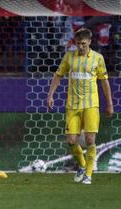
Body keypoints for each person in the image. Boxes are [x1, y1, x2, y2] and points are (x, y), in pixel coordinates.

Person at [47, 28, 114, 184]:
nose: (81, 47)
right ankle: (83, 166)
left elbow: (104, 81)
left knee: (90, 140)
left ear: (90, 42)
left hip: (91, 105)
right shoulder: (69, 57)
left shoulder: (98, 58)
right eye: (78, 44)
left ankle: (88, 175)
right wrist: (50, 95)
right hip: (72, 106)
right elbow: (58, 75)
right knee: (71, 140)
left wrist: (109, 103)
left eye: (83, 44)